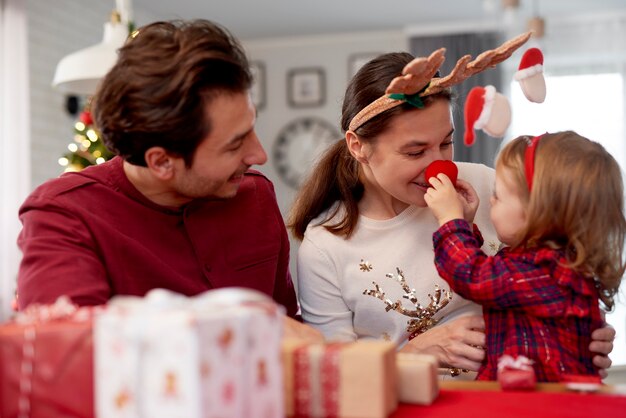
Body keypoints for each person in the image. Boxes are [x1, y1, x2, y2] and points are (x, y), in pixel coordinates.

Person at [289, 51, 615, 376]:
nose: (439, 166)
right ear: (357, 146)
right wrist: (412, 353)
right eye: (415, 151)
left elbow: (553, 270)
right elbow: (332, 376)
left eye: (446, 143)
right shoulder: (325, 247)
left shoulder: (488, 186)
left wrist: (579, 328)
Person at [16, 20, 304, 322]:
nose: (259, 155)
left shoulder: (254, 194)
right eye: (234, 145)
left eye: (251, 126)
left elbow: (285, 326)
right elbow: (69, 353)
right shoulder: (64, 215)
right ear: (162, 162)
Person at [425, 132, 625, 381]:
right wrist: (465, 224)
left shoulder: (546, 270)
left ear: (538, 212)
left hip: (542, 404)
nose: (490, 200)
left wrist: (449, 220)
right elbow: (496, 271)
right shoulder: (545, 263)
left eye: (498, 195)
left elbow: (473, 275)